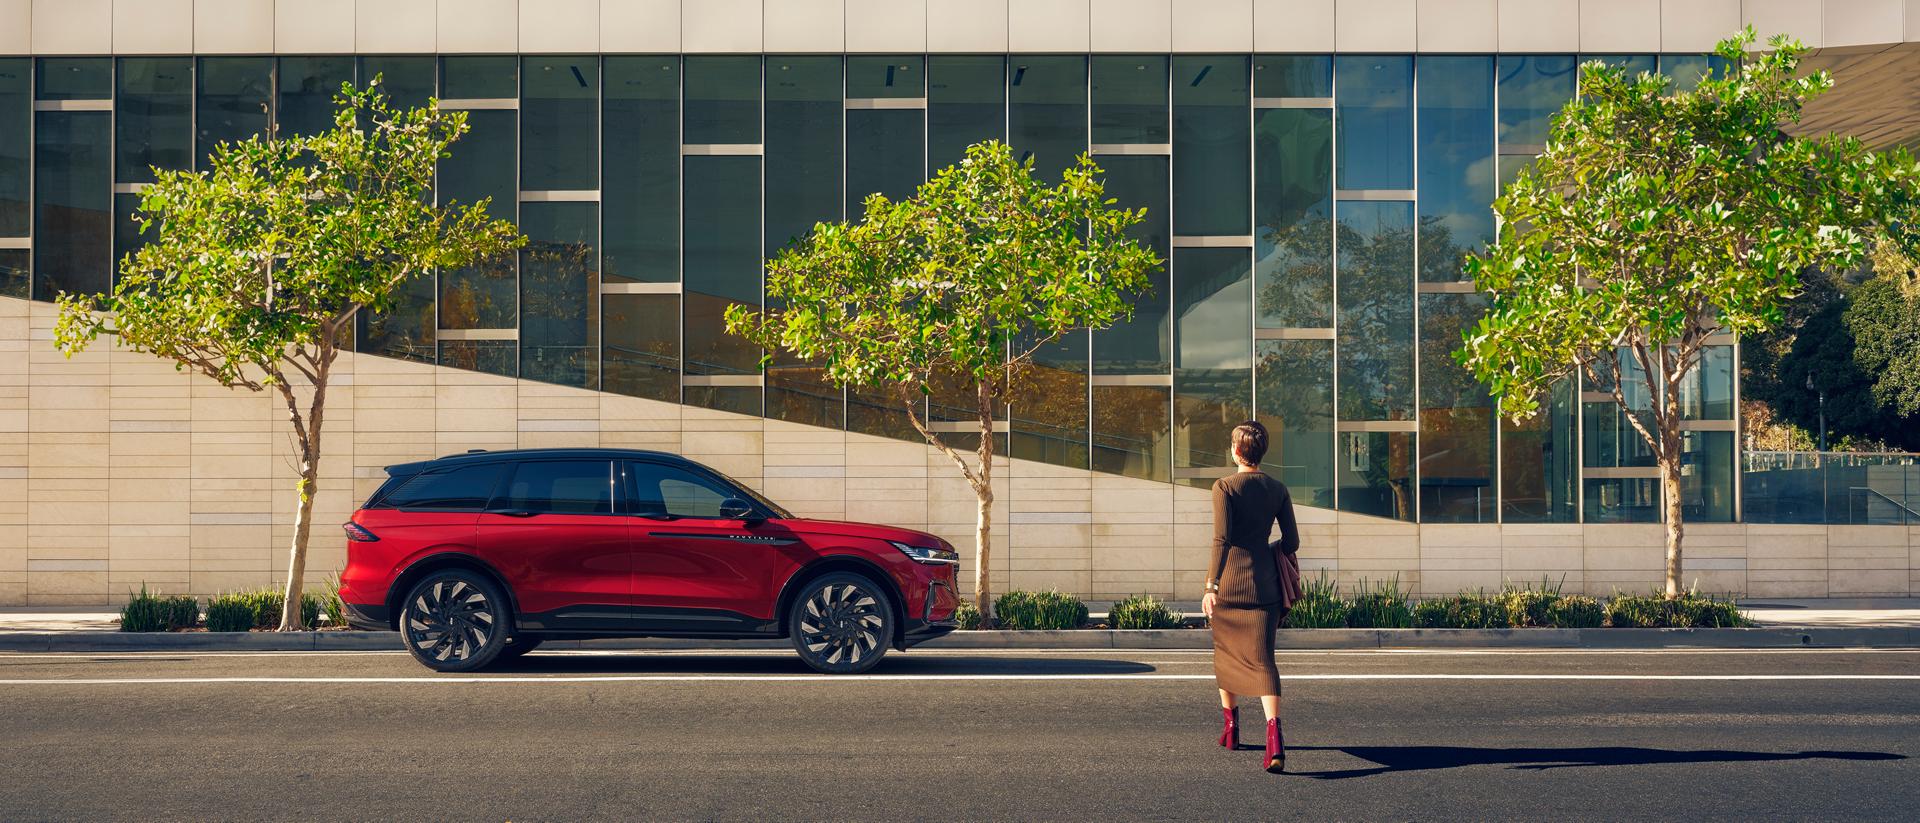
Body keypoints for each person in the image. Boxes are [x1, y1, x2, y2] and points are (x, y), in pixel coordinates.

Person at [1202, 420, 1302, 774]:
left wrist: (1211, 585)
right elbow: (1291, 543)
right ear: (1261, 452)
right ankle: (1274, 740)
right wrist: (1267, 548)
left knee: (1226, 655)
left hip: (1229, 585)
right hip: (1265, 586)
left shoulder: (1224, 487)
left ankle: (1232, 730)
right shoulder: (1278, 488)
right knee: (1264, 661)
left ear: (1235, 451)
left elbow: (1221, 540)